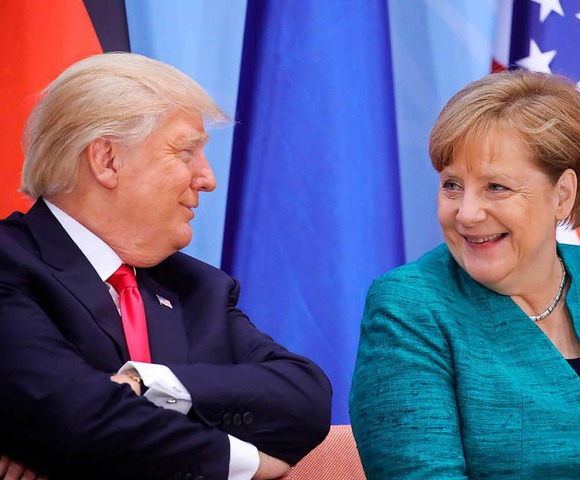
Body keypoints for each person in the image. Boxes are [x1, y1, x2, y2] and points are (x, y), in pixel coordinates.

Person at [0, 52, 332, 480]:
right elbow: (78, 420)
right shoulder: (10, 264)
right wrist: (246, 463)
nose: (207, 178)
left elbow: (305, 399)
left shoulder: (198, 287)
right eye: (186, 151)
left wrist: (147, 383)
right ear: (106, 160)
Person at [349, 70, 580, 478]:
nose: (466, 213)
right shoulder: (409, 308)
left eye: (496, 187)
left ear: (562, 195)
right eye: (452, 185)